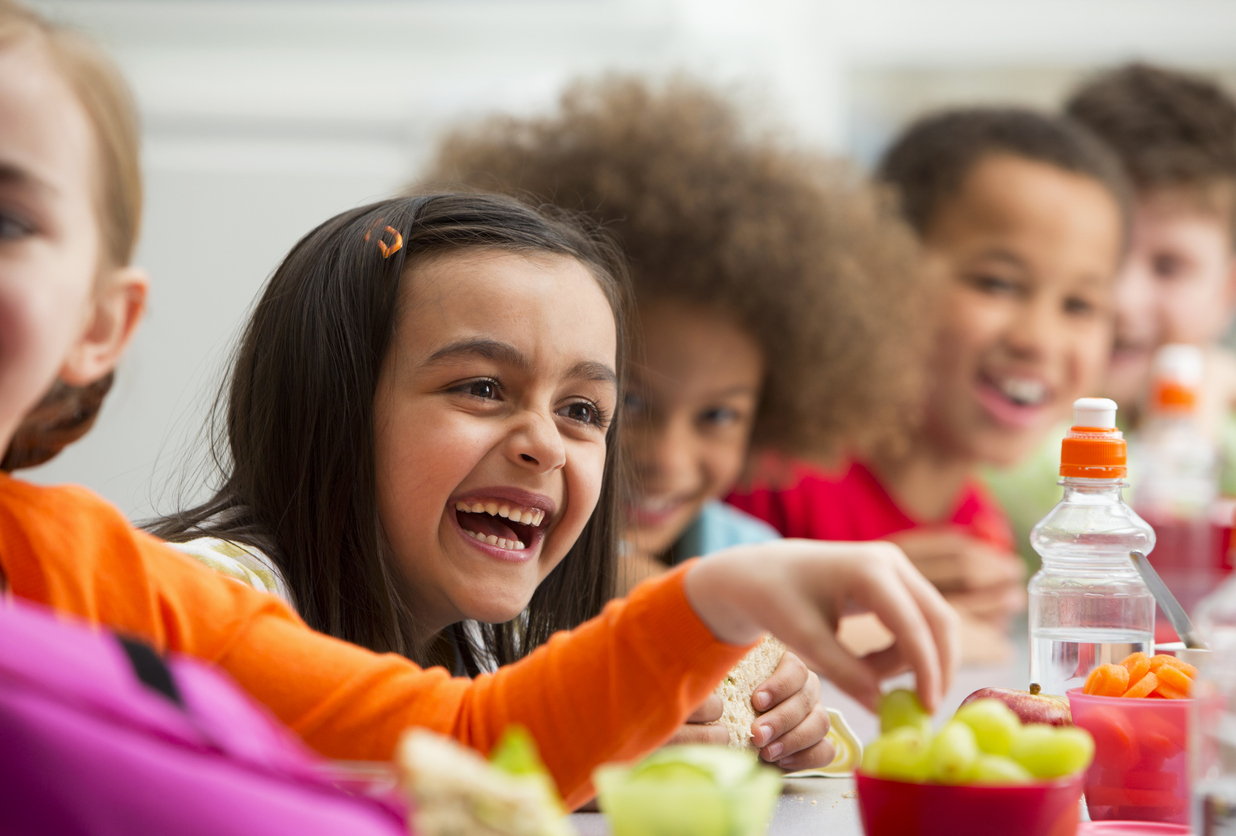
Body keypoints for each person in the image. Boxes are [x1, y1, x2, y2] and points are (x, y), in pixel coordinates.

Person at [0, 2, 960, 808]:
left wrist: (790, 732)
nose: (544, 442)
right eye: (483, 388)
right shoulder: (215, 590)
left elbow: (481, 736)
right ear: (334, 407)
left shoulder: (486, 641)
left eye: (586, 411)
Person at [422, 77, 922, 607]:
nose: (669, 460)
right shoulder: (483, 547)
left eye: (719, 417)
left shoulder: (749, 554)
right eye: (628, 403)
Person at [730, 108, 1130, 661]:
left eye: (1080, 305)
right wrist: (852, 609)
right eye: (997, 283)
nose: (1039, 338)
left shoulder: (982, 531)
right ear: (881, 270)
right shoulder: (769, 470)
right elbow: (680, 636)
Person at [1066, 63, 1236, 499]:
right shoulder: (1006, 431)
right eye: (1104, 254)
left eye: (1168, 266)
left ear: (1229, 292)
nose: (1123, 299)